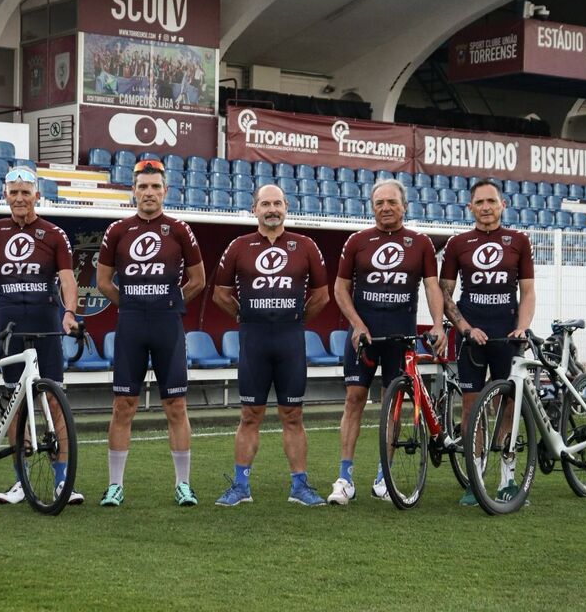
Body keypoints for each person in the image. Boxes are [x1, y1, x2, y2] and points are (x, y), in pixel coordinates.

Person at [0, 167, 84, 506]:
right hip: (8, 322)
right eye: (13, 192)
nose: (19, 198)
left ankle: (62, 481)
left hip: (45, 320)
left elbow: (66, 278)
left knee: (52, 398)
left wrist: (70, 313)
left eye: (25, 192)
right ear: (5, 195)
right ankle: (21, 480)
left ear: (37, 195)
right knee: (15, 400)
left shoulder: (54, 234)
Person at [328, 178, 446, 505]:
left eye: (392, 202)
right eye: (379, 202)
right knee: (353, 399)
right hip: (364, 337)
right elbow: (339, 288)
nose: (386, 207)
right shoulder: (357, 241)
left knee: (393, 405)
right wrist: (356, 324)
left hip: (401, 337)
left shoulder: (420, 243)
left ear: (404, 206)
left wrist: (438, 324)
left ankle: (384, 475)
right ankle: (345, 477)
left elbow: (432, 287)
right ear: (372, 207)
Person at [95, 158, 206, 507]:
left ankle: (183, 485)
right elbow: (102, 282)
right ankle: (115, 486)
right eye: (143, 186)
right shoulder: (117, 230)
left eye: (155, 186)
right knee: (122, 406)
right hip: (130, 325)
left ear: (165, 191)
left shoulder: (179, 230)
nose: (149, 193)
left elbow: (198, 280)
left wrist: (169, 301)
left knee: (175, 405)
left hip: (167, 326)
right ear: (133, 190)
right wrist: (130, 302)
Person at [213, 184, 330, 507]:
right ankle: (240, 486)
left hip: (291, 338)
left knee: (292, 414)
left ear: (286, 206)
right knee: (250, 414)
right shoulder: (239, 246)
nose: (272, 209)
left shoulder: (305, 246)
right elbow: (220, 293)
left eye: (277, 203)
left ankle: (300, 486)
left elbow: (322, 295)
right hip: (253, 339)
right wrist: (244, 314)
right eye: (265, 204)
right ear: (255, 209)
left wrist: (298, 318)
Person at [439, 178, 535, 506]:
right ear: (470, 207)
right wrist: (465, 328)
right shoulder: (457, 244)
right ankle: (475, 476)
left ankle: (508, 477)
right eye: (479, 202)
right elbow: (446, 295)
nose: (485, 207)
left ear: (502, 204)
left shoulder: (519, 241)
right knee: (470, 406)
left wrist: (522, 328)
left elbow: (528, 291)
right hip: (471, 337)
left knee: (508, 404)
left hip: (506, 336)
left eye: (491, 201)